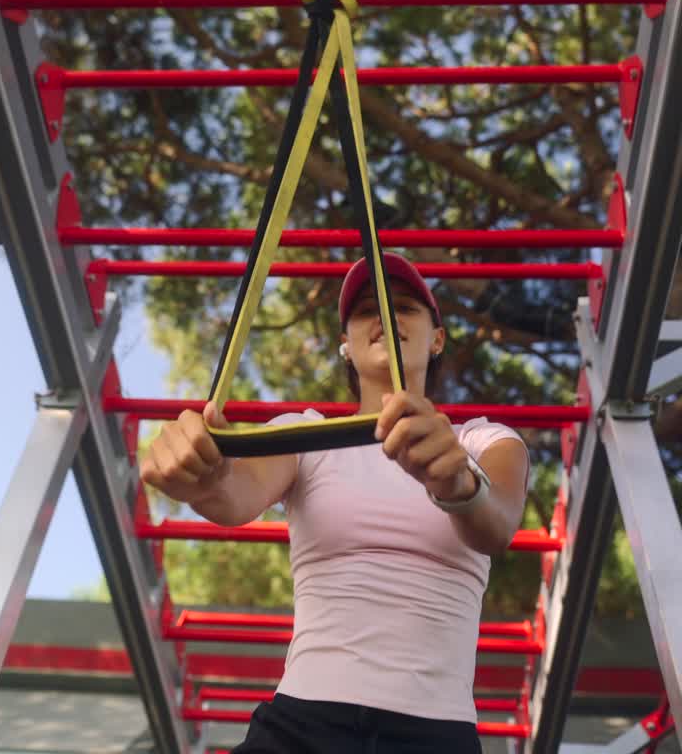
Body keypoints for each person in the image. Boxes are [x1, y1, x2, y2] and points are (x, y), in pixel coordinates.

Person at [141, 253, 530, 753]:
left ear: (437, 339)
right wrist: (205, 474)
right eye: (368, 309)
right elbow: (234, 495)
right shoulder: (304, 433)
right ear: (345, 345)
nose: (385, 318)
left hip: (436, 733)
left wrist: (457, 482)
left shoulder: (485, 441)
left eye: (405, 307)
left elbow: (496, 527)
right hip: (302, 724)